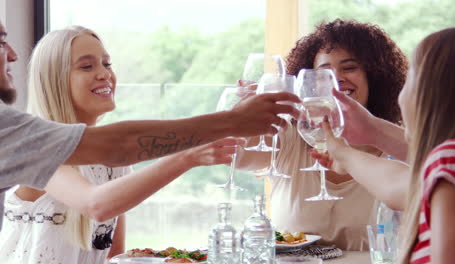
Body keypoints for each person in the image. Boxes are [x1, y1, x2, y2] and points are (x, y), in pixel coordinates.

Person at [0, 20, 301, 232]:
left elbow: (113, 256)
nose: (105, 74)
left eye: (107, 64)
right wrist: (191, 153)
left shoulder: (113, 165)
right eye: (87, 66)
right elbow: (97, 204)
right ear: (54, 79)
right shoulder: (40, 150)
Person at [236, 19, 408, 250]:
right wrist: (243, 116)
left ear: (375, 77)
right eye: (323, 73)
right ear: (305, 85)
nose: (336, 79)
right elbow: (239, 157)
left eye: (349, 68)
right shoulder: (289, 135)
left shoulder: (397, 146)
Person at [318, 27, 455, 264]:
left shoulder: (452, 158)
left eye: (409, 80)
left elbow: (401, 185)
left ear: (429, 92)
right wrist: (369, 132)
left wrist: (342, 152)